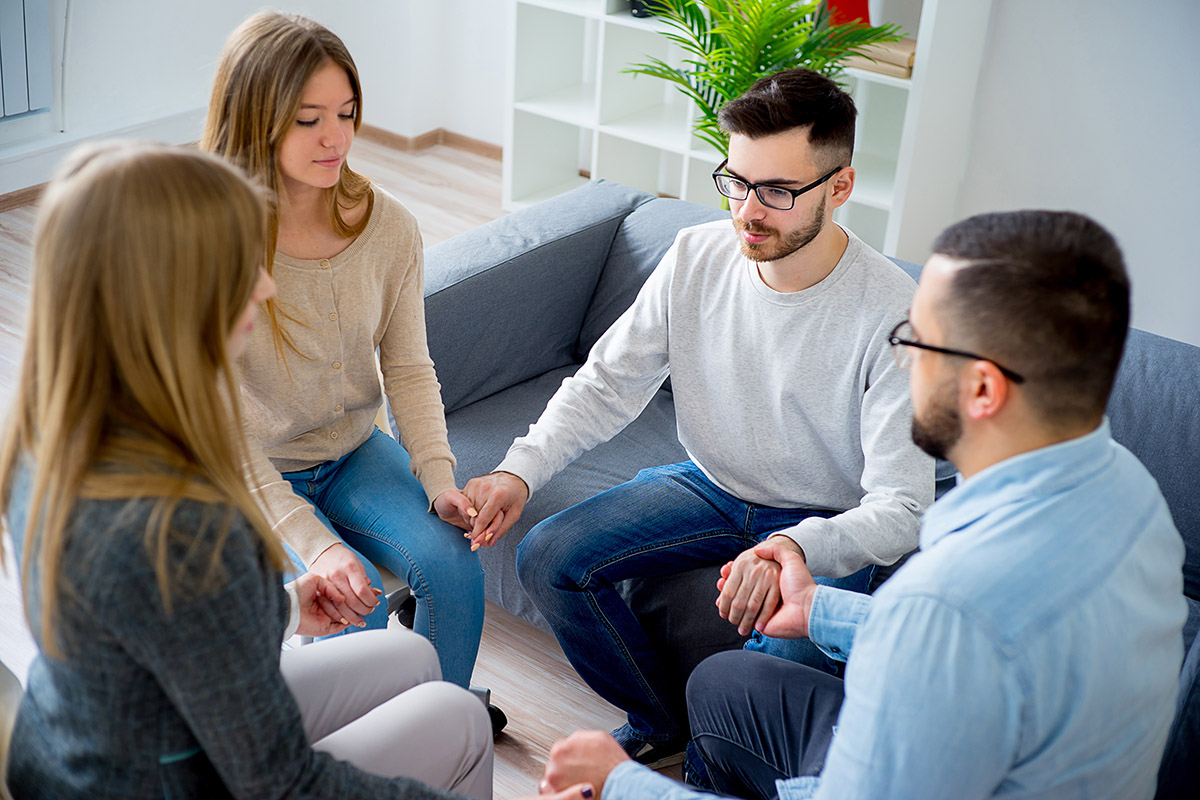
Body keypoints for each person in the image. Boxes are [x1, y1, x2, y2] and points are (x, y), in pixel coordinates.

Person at [537, 209, 1188, 800]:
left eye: (918, 340)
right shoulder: (1131, 494)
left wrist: (620, 782)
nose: (901, 355)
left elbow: (946, 637)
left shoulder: (943, 606)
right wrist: (823, 613)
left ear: (983, 389)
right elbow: (986, 658)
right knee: (724, 682)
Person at [464, 67, 934, 762]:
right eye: (736, 181)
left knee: (761, 680)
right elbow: (606, 384)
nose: (747, 210)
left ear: (840, 188)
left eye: (778, 191)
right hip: (710, 484)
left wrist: (798, 548)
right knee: (548, 556)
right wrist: (519, 471)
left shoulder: (895, 312)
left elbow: (904, 507)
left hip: (824, 517)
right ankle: (660, 725)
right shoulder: (696, 255)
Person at [0, 142, 494, 798]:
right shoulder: (189, 526)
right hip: (165, 780)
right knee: (461, 717)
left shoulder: (50, 434)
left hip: (86, 745)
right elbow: (282, 784)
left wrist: (286, 611)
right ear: (173, 297)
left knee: (412, 654)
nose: (265, 286)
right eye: (242, 266)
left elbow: (158, 627)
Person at [200, 12, 492, 706]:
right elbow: (218, 434)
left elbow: (409, 367)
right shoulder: (213, 240)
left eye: (347, 113)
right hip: (252, 472)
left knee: (454, 568)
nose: (336, 137)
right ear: (254, 120)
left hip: (356, 450)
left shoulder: (388, 226)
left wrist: (437, 475)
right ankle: (369, 754)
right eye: (307, 120)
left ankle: (444, 725)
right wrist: (318, 546)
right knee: (347, 604)